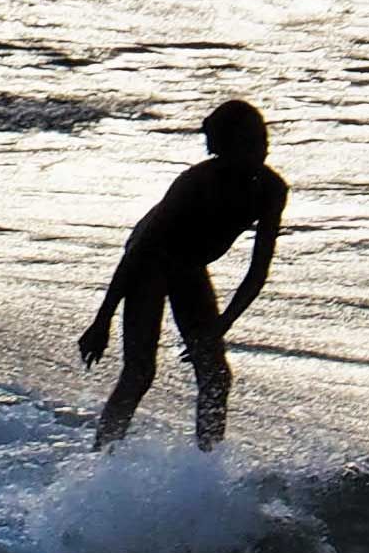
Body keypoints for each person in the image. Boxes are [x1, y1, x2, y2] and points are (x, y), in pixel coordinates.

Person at [78, 99, 284, 450]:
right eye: (249, 144)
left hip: (189, 267)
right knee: (140, 372)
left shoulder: (272, 190)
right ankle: (102, 454)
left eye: (263, 141)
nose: (260, 151)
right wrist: (102, 321)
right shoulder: (195, 182)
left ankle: (207, 462)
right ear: (224, 149)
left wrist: (223, 324)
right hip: (148, 263)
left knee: (216, 375)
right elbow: (139, 252)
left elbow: (257, 271)